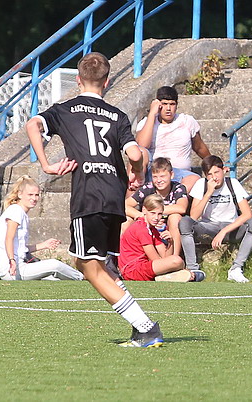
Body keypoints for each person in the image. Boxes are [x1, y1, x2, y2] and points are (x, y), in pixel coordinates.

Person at [26, 52, 163, 347]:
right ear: (107, 81)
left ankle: (146, 327)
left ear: (78, 80)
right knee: (98, 264)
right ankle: (140, 325)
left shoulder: (65, 110)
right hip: (114, 196)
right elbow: (135, 153)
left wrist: (46, 164)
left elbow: (32, 125)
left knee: (87, 266)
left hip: (89, 195)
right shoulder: (118, 115)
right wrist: (138, 174)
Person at [179, 155, 252, 283]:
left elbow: (247, 214)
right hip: (208, 227)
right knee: (185, 222)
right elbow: (194, 216)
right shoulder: (201, 184)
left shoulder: (232, 183)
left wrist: (223, 231)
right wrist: (208, 193)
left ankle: (236, 268)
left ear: (223, 170)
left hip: (231, 228)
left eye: (217, 172)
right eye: (210, 174)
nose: (214, 177)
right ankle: (193, 269)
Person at [0, 175, 84, 281]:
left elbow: (20, 248)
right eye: (30, 194)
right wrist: (11, 260)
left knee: (55, 279)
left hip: (19, 268)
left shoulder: (20, 213)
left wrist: (44, 245)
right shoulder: (16, 211)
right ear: (20, 194)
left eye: (36, 195)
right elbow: (8, 238)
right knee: (55, 265)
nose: (34, 198)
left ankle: (81, 279)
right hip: (14, 270)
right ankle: (85, 277)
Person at [135, 85, 211, 192]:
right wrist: (152, 114)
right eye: (164, 104)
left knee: (196, 180)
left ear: (176, 105)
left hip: (180, 173)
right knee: (140, 153)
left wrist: (213, 164)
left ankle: (173, 198)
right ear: (157, 104)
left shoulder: (187, 121)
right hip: (154, 172)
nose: (168, 109)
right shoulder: (147, 122)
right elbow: (141, 146)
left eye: (172, 104)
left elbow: (199, 147)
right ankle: (131, 200)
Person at [119, 194, 205, 282]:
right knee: (176, 260)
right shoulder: (141, 228)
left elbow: (165, 256)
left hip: (143, 267)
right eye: (152, 213)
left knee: (175, 260)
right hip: (132, 270)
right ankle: (173, 274)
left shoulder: (153, 229)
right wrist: (173, 265)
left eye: (160, 214)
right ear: (144, 210)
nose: (156, 218)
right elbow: (155, 259)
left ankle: (170, 275)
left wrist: (170, 242)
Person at [124, 157, 188, 256]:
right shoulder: (147, 188)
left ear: (171, 175)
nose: (159, 180)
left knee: (175, 217)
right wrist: (144, 216)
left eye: (162, 176)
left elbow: (182, 208)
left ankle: (174, 257)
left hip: (168, 228)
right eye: (155, 177)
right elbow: (125, 206)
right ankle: (121, 256)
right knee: (126, 220)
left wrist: (157, 213)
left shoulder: (178, 188)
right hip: (147, 226)